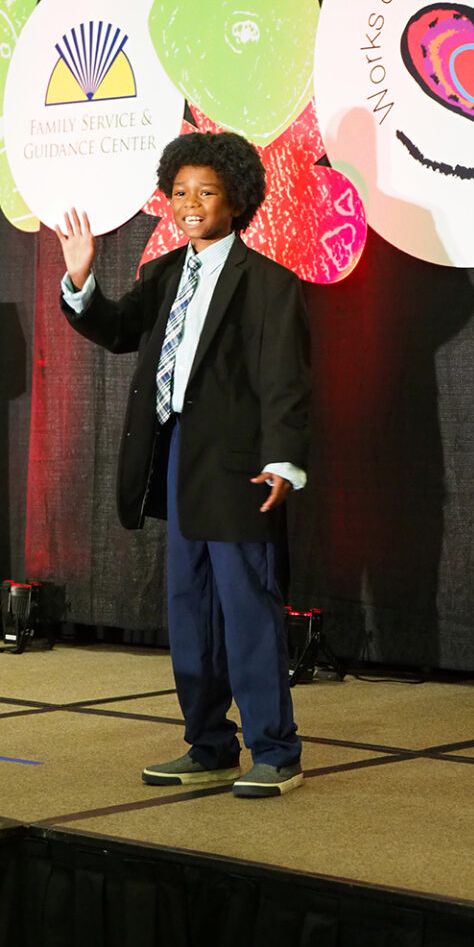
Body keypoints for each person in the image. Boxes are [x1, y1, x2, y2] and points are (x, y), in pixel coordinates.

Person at [57, 131, 310, 797]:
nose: (190, 205)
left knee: (246, 610)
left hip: (236, 471)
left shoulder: (268, 285)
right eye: (179, 193)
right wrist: (81, 279)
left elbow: (285, 381)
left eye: (206, 193)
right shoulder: (161, 272)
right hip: (169, 462)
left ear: (237, 201)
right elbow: (117, 331)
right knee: (190, 611)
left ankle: (275, 751)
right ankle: (207, 744)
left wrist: (282, 460)